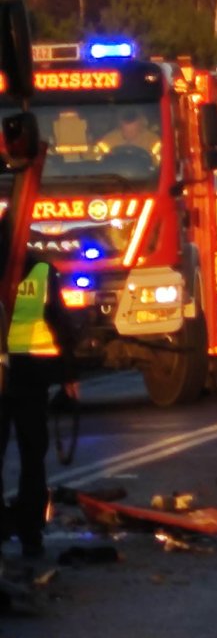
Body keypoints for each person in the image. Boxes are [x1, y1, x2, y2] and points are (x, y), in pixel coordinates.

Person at [0, 235, 79, 559]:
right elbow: (59, 322)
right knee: (33, 456)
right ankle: (30, 534)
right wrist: (69, 374)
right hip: (31, 375)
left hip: (6, 375)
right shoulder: (41, 271)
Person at [96, 107, 160, 160]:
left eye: (132, 131)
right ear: (121, 128)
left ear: (140, 127)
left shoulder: (152, 140)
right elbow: (98, 157)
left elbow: (159, 161)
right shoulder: (109, 140)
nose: (129, 134)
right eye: (126, 131)